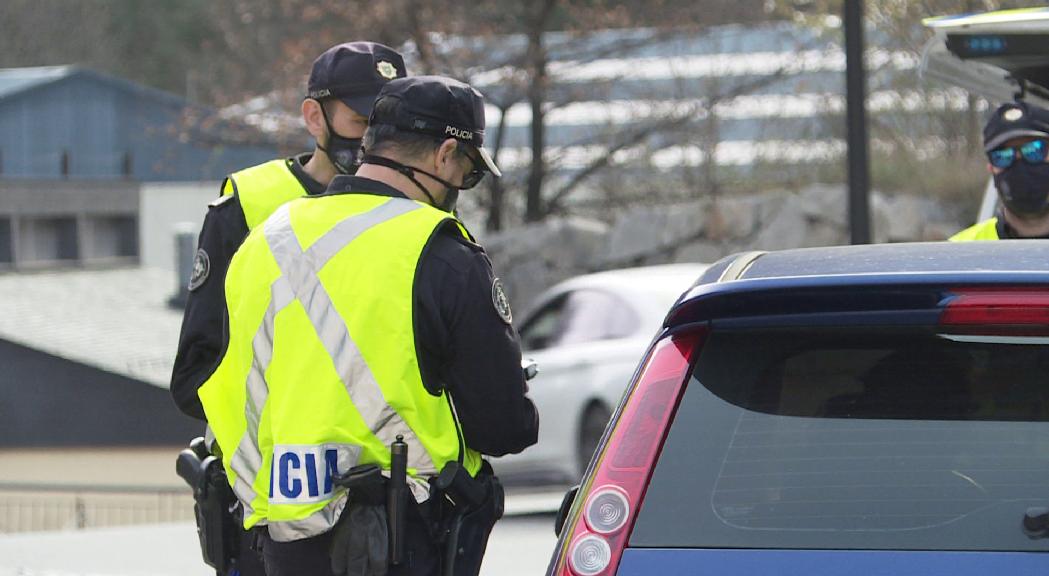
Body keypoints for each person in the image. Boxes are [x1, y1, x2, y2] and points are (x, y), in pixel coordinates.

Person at [197, 75, 539, 576]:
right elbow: (503, 424)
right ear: (446, 154)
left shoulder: (265, 241)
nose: (461, 190)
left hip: (279, 538)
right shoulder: (441, 252)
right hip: (404, 537)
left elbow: (220, 389)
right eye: (468, 174)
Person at [171, 41, 407, 419]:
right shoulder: (249, 203)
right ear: (314, 117)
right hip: (277, 465)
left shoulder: (419, 208)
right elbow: (197, 374)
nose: (373, 140)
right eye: (362, 122)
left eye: (390, 127)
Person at [952, 100, 1049, 241]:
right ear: (991, 168)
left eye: (1035, 150)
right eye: (1003, 156)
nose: (1019, 164)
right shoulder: (958, 253)